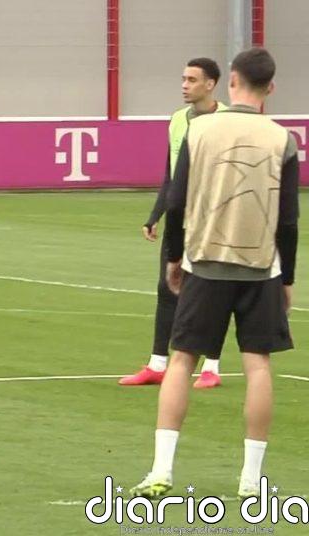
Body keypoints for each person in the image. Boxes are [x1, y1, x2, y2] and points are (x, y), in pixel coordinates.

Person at [130, 48, 299, 499]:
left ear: (232, 82)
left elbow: (177, 200)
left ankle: (161, 471)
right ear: (271, 87)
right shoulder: (283, 139)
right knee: (258, 366)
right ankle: (251, 481)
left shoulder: (199, 130)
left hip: (205, 262)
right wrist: (287, 277)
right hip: (260, 267)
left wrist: (173, 258)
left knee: (182, 360)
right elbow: (288, 219)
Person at [120, 58, 227, 389]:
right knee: (167, 288)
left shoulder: (227, 120)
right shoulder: (178, 119)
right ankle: (157, 363)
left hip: (213, 219)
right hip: (180, 217)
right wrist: (156, 214)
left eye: (192, 80)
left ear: (210, 84)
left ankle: (211, 366)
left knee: (212, 292)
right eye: (183, 79)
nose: (184, 85)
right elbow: (171, 172)